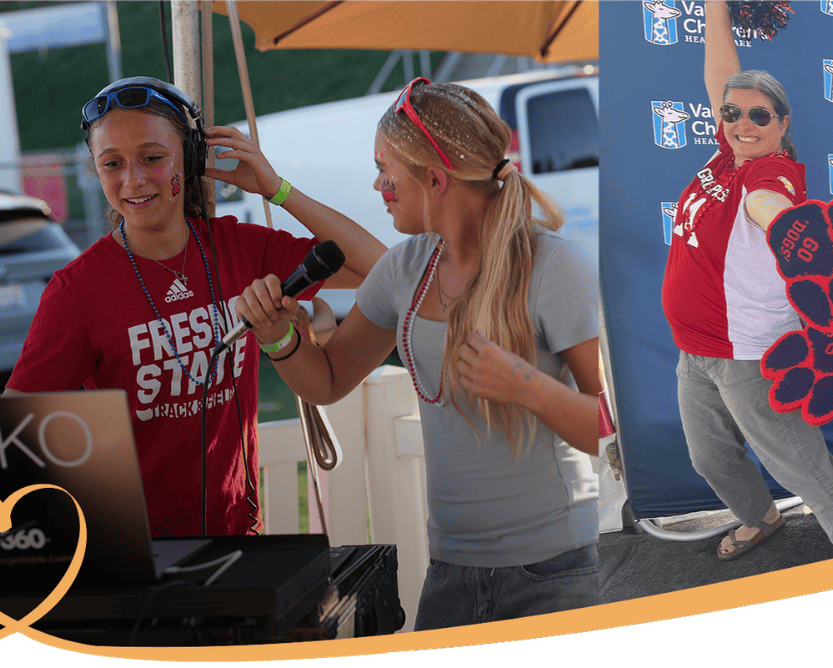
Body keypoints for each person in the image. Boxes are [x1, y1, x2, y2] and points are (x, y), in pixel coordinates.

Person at [235, 77, 602, 630]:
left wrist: (525, 385)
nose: (379, 184)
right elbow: (327, 382)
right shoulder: (404, 268)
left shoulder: (554, 265)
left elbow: (610, 432)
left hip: (554, 573)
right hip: (451, 571)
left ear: (434, 180)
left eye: (387, 169)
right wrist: (281, 340)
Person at [6, 76, 385, 537]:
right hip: (136, 558)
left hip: (239, 544)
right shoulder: (78, 290)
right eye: (111, 164)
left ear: (188, 159)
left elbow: (377, 267)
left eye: (153, 157)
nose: (133, 179)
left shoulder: (240, 249)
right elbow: (15, 433)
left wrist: (276, 188)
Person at [662, 1, 833, 559]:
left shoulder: (770, 170)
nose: (743, 123)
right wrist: (715, 7)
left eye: (760, 116)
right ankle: (760, 517)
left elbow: (768, 202)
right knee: (708, 459)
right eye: (732, 114)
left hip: (747, 358)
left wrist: (784, 226)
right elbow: (721, 73)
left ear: (783, 125)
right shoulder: (728, 155)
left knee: (813, 476)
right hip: (694, 350)